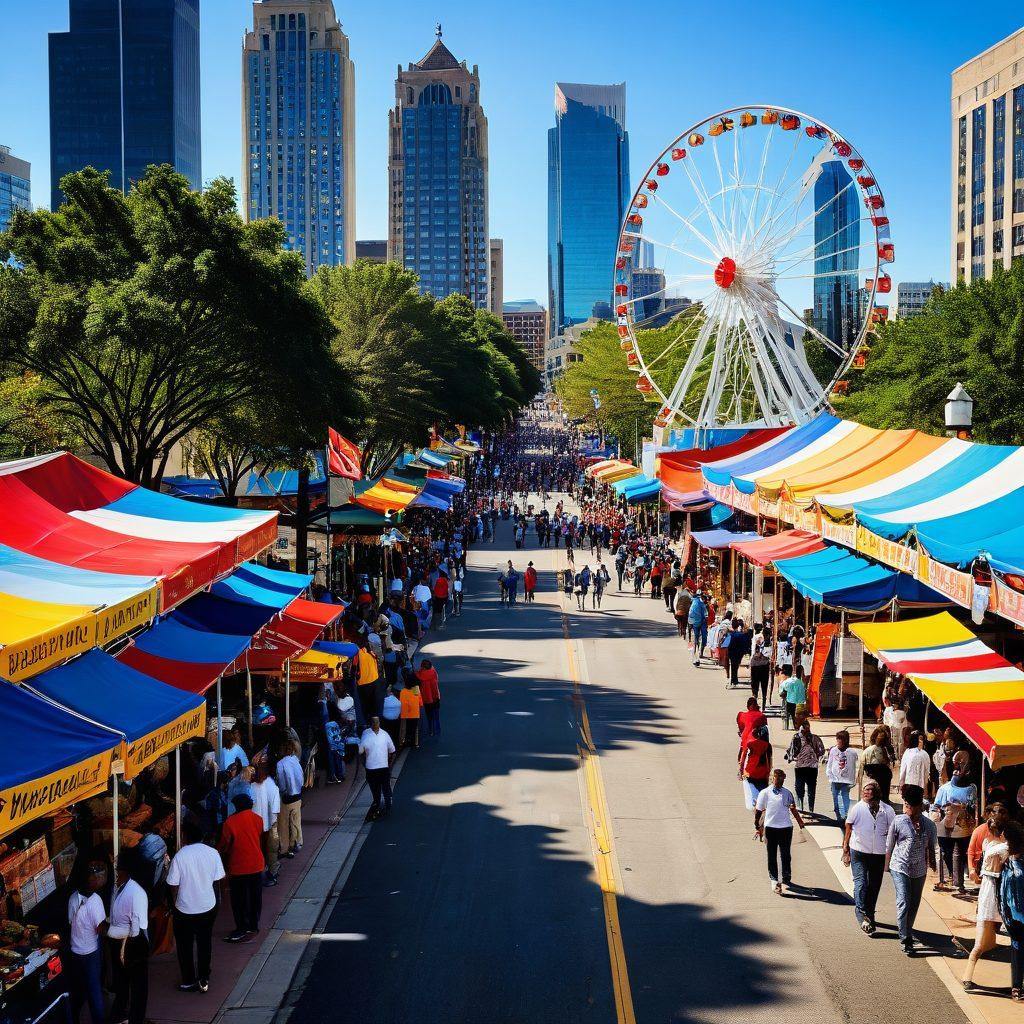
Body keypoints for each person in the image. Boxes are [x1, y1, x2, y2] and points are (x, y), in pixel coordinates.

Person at [168, 819, 225, 992]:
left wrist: (174, 903)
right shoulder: (212, 853)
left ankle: (188, 979)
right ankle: (204, 977)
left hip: (184, 908)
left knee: (184, 945)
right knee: (204, 942)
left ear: (185, 836)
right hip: (208, 904)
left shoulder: (180, 855)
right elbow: (219, 879)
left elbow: (172, 884)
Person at [963, 803, 1010, 990]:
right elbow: (997, 851)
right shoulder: (993, 847)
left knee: (986, 942)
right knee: (979, 943)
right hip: (991, 895)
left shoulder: (1000, 845)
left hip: (1002, 894)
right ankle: (967, 977)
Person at [886, 784, 937, 956]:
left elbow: (931, 847)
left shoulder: (929, 825)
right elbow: (890, 845)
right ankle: (905, 939)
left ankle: (908, 930)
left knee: (914, 904)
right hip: (899, 866)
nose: (907, 809)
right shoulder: (899, 821)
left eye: (910, 806)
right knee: (904, 901)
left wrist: (934, 866)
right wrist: (886, 867)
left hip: (919, 870)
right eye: (906, 805)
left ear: (919, 807)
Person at [102, 849, 150, 1024]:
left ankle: (135, 1018)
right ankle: (121, 1014)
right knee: (123, 982)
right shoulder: (120, 888)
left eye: (119, 870)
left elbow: (136, 928)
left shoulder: (136, 893)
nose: (116, 873)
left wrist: (123, 946)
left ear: (127, 871)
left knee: (137, 986)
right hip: (121, 942)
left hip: (132, 943)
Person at [843, 780, 896, 934]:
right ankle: (861, 913)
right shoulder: (857, 808)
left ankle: (870, 914)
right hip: (859, 850)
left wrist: (891, 853)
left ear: (877, 794)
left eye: (869, 791)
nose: (865, 793)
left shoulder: (888, 811)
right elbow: (848, 827)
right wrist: (845, 849)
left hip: (878, 854)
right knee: (861, 883)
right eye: (864, 790)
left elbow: (893, 831)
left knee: (874, 886)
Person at [218, 793, 265, 942]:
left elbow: (224, 845)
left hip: (239, 866)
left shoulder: (230, 822)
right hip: (257, 864)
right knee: (255, 896)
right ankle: (253, 924)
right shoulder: (258, 819)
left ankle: (241, 927)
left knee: (239, 899)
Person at [67, 857, 108, 1024]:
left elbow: (71, 921)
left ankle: (73, 1018)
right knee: (94, 991)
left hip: (75, 950)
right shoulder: (96, 902)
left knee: (77, 990)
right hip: (91, 951)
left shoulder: (72, 898)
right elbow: (100, 929)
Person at [755, 768, 805, 895]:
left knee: (786, 854)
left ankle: (786, 878)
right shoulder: (765, 793)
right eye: (778, 779)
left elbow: (793, 808)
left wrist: (799, 821)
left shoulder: (787, 793)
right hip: (770, 828)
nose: (781, 781)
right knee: (771, 855)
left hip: (786, 828)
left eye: (782, 779)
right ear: (773, 779)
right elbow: (758, 810)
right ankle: (774, 880)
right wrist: (757, 825)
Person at [933, 765, 979, 893]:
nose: (957, 771)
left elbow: (973, 807)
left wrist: (962, 807)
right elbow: (936, 807)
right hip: (946, 824)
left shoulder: (971, 789)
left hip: (964, 827)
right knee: (945, 852)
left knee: (961, 853)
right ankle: (947, 879)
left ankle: (959, 882)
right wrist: (936, 817)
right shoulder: (944, 788)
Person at [1000, 821, 1024, 1002]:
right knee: (1016, 950)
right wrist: (1004, 912)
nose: (1005, 844)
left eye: (1007, 841)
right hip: (1013, 916)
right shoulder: (1006, 862)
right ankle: (1016, 985)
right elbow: (1002, 890)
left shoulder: (1019, 863)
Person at [250, 763, 281, 887]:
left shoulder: (252, 786)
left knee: (261, 849)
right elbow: (274, 806)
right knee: (269, 850)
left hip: (257, 825)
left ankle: (267, 872)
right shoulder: (268, 784)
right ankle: (270, 872)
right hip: (267, 823)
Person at [784, 720, 824, 814]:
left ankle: (809, 809)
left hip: (810, 767)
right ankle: (803, 808)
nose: (804, 732)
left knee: (809, 788)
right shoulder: (797, 737)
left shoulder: (813, 738)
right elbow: (792, 750)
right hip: (802, 767)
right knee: (801, 788)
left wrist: (816, 755)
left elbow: (822, 750)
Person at [360, 716, 396, 818]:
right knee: (385, 787)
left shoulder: (366, 736)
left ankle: (378, 806)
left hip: (372, 768)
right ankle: (386, 807)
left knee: (376, 789)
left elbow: (360, 752)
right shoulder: (384, 735)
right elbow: (393, 752)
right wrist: (389, 766)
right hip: (382, 767)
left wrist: (365, 763)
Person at [275, 740, 304, 860]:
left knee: (284, 824)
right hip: (298, 796)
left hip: (287, 797)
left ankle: (285, 848)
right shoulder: (296, 761)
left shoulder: (280, 764)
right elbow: (301, 777)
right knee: (296, 821)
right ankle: (296, 842)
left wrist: (282, 791)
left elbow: (281, 783)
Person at [825, 730, 858, 823]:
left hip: (846, 780)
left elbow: (853, 767)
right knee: (835, 798)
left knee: (844, 796)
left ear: (846, 741)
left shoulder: (852, 752)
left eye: (841, 740)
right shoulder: (833, 750)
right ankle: (839, 817)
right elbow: (830, 763)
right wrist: (829, 775)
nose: (839, 742)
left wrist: (853, 780)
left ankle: (845, 816)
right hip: (834, 779)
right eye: (838, 740)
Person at [860, 726, 895, 805]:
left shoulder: (887, 748)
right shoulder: (870, 750)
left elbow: (891, 760)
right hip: (876, 775)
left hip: (881, 775)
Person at [417, 659, 441, 737]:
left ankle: (430, 730)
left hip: (427, 698)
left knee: (429, 716)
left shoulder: (420, 675)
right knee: (436, 715)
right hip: (435, 696)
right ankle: (437, 730)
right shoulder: (434, 673)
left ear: (423, 667)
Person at [779, 666, 806, 732]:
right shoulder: (801, 683)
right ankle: (797, 725)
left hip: (790, 704)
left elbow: (782, 692)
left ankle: (794, 724)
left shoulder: (788, 681)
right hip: (800, 704)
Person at [749, 623, 771, 706]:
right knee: (764, 685)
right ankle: (764, 704)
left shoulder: (756, 637)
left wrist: (751, 661)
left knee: (755, 684)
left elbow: (753, 650)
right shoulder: (769, 640)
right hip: (764, 664)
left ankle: (754, 702)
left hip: (755, 664)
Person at [727, 618, 752, 689]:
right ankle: (734, 679)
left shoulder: (731, 634)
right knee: (735, 666)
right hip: (738, 653)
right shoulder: (741, 635)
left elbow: (729, 644)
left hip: (732, 652)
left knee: (733, 666)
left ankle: (733, 680)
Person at [399, 682, 421, 749]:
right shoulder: (416, 690)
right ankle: (415, 743)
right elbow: (420, 703)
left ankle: (401, 743)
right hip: (415, 713)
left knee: (403, 729)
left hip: (405, 713)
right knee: (415, 728)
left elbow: (401, 702)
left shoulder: (402, 691)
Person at [688, 592, 709, 666]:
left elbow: (690, 614)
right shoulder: (701, 604)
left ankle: (696, 657)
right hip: (701, 623)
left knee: (695, 641)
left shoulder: (693, 602)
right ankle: (698, 656)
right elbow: (706, 615)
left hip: (694, 624)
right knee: (701, 639)